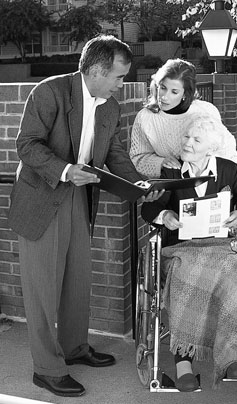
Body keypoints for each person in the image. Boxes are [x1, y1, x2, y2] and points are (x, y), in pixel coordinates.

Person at [7, 35, 159, 398]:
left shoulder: (110, 107)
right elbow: (26, 144)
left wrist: (139, 183)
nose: (122, 84)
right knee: (43, 290)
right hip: (42, 197)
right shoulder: (50, 92)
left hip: (78, 198)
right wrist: (64, 170)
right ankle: (46, 370)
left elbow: (115, 154)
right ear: (95, 70)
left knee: (78, 280)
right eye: (119, 77)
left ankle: (74, 349)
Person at [141, 116, 237, 392]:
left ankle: (235, 358)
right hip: (182, 249)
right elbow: (148, 210)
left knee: (235, 267)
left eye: (196, 140)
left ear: (210, 149)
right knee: (185, 273)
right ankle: (184, 367)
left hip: (221, 247)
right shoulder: (173, 171)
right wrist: (166, 214)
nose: (187, 143)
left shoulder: (227, 170)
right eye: (186, 137)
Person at [129, 58, 237, 179]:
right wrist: (160, 162)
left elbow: (226, 151)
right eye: (162, 88)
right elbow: (138, 158)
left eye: (174, 92)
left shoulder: (205, 111)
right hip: (170, 185)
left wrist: (235, 183)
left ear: (185, 93)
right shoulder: (145, 117)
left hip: (208, 182)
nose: (164, 97)